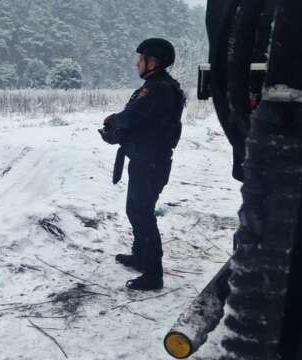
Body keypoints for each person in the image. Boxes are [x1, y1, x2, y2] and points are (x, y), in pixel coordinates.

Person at [99, 38, 185, 290]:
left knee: (141, 213)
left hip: (150, 162)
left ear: (153, 62)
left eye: (141, 59)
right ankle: (141, 256)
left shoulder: (158, 89)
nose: (137, 63)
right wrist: (115, 134)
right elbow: (141, 124)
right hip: (146, 159)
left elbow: (132, 117)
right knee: (136, 210)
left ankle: (153, 272)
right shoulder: (158, 86)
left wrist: (114, 120)